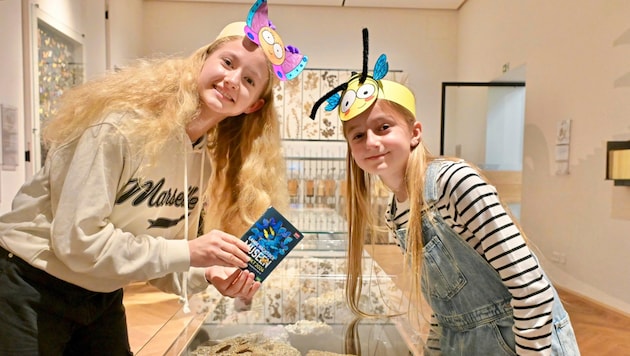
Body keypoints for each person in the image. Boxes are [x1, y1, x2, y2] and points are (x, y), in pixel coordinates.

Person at [0, 2, 306, 353]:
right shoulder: (118, 128)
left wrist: (207, 272)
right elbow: (78, 242)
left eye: (249, 80)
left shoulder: (201, 162)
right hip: (29, 285)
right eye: (227, 62)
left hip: (101, 293)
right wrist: (189, 251)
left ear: (252, 105)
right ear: (201, 62)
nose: (232, 80)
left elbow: (159, 256)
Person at [310, 29, 580, 355]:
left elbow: (532, 290)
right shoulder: (397, 210)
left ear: (414, 132)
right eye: (357, 135)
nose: (371, 142)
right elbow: (445, 310)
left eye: (383, 127)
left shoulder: (453, 182)